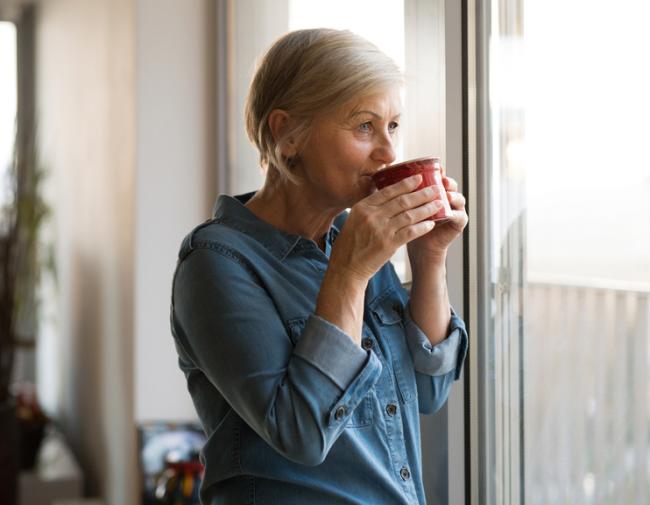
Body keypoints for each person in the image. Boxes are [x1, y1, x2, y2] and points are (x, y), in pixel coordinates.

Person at [170, 28, 468, 505]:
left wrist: (429, 258)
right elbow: (302, 433)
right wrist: (348, 275)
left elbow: (428, 390)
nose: (388, 153)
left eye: (393, 126)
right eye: (364, 127)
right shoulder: (216, 264)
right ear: (286, 134)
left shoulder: (352, 239)